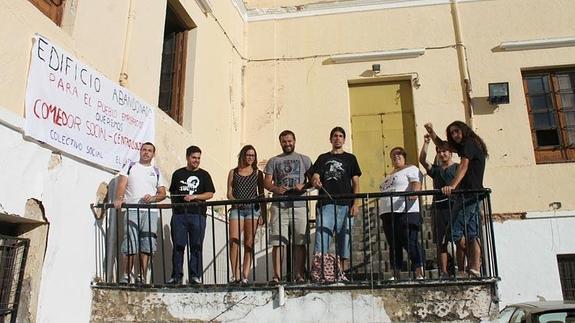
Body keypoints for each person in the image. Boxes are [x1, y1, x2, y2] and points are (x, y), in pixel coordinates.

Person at [424, 121, 488, 278]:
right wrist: (431, 132)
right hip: (470, 193)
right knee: (472, 233)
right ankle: (475, 268)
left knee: (453, 231)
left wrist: (452, 185)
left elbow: (464, 166)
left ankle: (475, 263)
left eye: (457, 131)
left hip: (468, 194)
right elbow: (442, 144)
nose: (454, 135)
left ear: (464, 130)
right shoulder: (468, 144)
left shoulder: (469, 143)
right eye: (452, 133)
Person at [310, 127, 361, 281]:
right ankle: (321, 273)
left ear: (344, 140)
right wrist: (316, 181)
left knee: (344, 239)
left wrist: (355, 203)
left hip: (346, 204)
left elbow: (356, 183)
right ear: (330, 139)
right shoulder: (322, 158)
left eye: (340, 136)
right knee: (322, 238)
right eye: (335, 136)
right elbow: (315, 177)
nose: (337, 138)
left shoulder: (351, 159)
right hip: (326, 203)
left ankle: (342, 273)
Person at [114, 142, 167, 284]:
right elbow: (121, 184)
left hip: (150, 211)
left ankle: (142, 276)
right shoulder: (131, 166)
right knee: (130, 242)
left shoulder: (156, 171)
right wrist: (119, 198)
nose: (146, 152)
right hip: (132, 209)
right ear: (140, 151)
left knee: (147, 244)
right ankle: (126, 275)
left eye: (150, 150)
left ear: (153, 154)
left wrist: (154, 198)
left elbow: (163, 193)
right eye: (144, 150)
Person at [264, 130, 312, 283]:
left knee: (300, 241)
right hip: (280, 205)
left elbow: (313, 181)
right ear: (280, 143)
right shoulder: (274, 161)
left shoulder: (305, 159)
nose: (287, 144)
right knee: (278, 242)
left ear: (295, 141)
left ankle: (299, 275)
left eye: (289, 141)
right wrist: (275, 189)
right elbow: (266, 182)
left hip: (300, 205)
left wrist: (303, 186)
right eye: (284, 141)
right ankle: (277, 276)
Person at [168, 145, 215, 285]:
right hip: (179, 215)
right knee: (178, 246)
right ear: (187, 157)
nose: (196, 161)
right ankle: (176, 276)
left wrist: (194, 197)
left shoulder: (204, 175)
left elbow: (210, 193)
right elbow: (173, 193)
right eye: (194, 157)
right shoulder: (177, 174)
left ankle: (195, 276)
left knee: (196, 246)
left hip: (198, 215)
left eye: (199, 158)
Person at [379, 146, 424, 280]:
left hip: (405, 211)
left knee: (410, 241)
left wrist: (415, 192)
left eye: (399, 155)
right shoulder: (389, 175)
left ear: (404, 157)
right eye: (393, 155)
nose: (396, 157)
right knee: (394, 244)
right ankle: (395, 273)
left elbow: (416, 182)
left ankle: (418, 270)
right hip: (388, 213)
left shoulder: (411, 168)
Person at [419, 134, 458, 278]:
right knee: (441, 241)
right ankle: (444, 272)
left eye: (444, 151)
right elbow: (422, 160)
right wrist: (426, 143)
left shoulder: (458, 168)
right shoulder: (436, 170)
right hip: (439, 208)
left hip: (456, 207)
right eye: (439, 151)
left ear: (450, 153)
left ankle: (461, 268)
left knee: (461, 240)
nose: (442, 154)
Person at [226, 145, 265, 284]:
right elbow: (229, 192)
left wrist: (263, 214)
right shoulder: (233, 172)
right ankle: (235, 275)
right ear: (243, 155)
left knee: (249, 242)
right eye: (248, 155)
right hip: (237, 209)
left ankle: (245, 275)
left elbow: (261, 194)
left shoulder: (257, 173)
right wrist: (235, 201)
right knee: (234, 241)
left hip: (253, 210)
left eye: (253, 155)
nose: (250, 158)